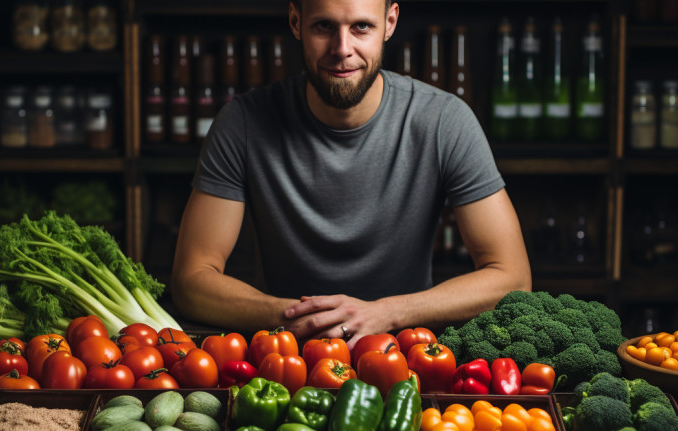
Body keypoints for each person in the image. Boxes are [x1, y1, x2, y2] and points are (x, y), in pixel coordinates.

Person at [171, 0, 531, 347]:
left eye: (361, 26)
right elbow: (191, 280)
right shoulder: (243, 123)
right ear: (296, 22)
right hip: (283, 359)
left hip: (410, 356)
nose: (342, 48)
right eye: (323, 26)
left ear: (389, 23)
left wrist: (386, 313)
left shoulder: (444, 121)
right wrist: (303, 319)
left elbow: (512, 278)